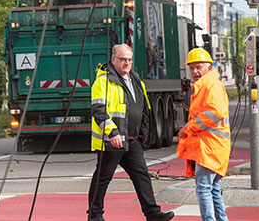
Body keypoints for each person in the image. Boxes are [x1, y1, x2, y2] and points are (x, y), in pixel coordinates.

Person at [87, 44, 175, 221]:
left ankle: (152, 213)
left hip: (132, 139)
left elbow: (143, 108)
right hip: (112, 140)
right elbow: (98, 110)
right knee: (103, 178)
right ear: (113, 60)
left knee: (141, 175)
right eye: (123, 59)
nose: (127, 63)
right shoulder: (103, 81)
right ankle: (95, 215)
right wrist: (112, 132)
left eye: (129, 59)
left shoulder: (135, 79)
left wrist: (143, 135)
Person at [177, 48, 231, 221]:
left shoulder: (211, 86)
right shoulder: (206, 86)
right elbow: (204, 115)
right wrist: (187, 128)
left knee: (203, 188)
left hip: (210, 147)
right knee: (212, 188)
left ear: (209, 67)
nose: (195, 71)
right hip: (213, 146)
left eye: (198, 67)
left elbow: (213, 113)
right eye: (191, 68)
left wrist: (189, 129)